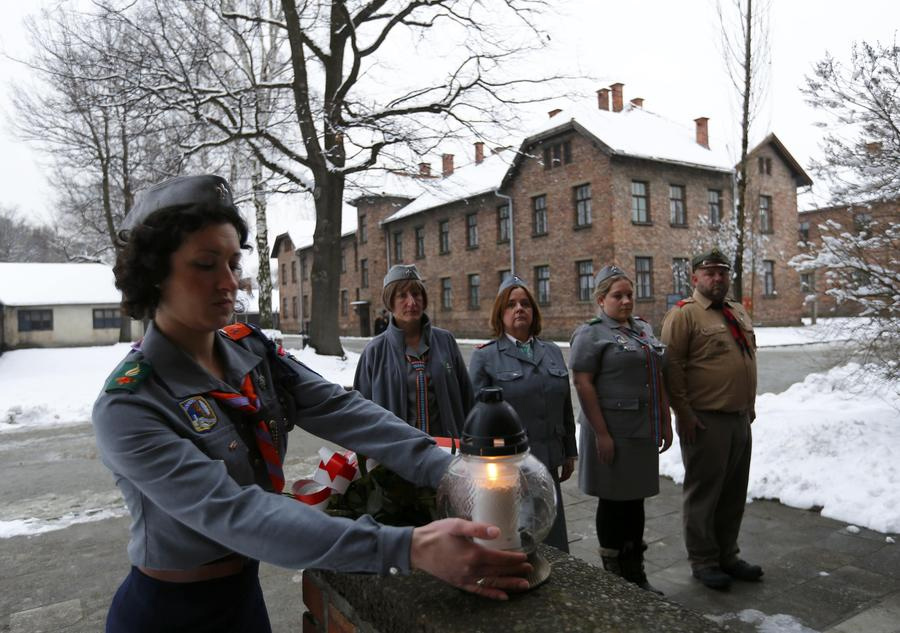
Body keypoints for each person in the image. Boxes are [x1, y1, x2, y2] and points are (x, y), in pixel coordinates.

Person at [93, 175, 531, 633]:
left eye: (232, 262)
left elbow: (343, 409)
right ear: (154, 273)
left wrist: (448, 470)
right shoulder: (131, 403)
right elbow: (236, 513)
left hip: (242, 600)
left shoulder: (252, 353)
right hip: (168, 614)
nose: (230, 282)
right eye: (206, 264)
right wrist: (408, 548)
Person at [660, 248, 763, 591]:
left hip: (738, 419)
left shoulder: (736, 312)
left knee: (734, 493)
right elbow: (672, 370)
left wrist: (747, 407)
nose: (717, 278)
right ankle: (704, 560)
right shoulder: (684, 316)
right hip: (705, 421)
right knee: (705, 493)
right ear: (695, 278)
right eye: (710, 273)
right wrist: (683, 414)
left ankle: (727, 555)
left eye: (722, 272)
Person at [569, 265, 672, 594]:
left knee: (635, 501)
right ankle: (615, 578)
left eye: (630, 293)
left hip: (640, 430)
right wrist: (601, 434)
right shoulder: (591, 333)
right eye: (618, 295)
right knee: (613, 502)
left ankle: (636, 572)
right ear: (601, 299)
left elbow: (657, 377)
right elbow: (583, 383)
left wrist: (665, 420)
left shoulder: (643, 329)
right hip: (611, 431)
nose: (626, 300)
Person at [467, 276, 577, 553]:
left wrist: (569, 450)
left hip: (549, 460)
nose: (519, 309)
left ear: (533, 312)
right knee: (515, 537)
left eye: (525, 303)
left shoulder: (551, 351)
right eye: (511, 304)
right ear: (500, 314)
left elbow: (564, 405)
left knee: (552, 533)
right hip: (508, 469)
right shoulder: (486, 357)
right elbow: (477, 417)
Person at [354, 264, 475, 438]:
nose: (411, 302)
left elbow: (467, 398)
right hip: (396, 455)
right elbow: (360, 413)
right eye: (402, 295)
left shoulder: (445, 341)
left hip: (447, 453)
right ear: (390, 302)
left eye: (416, 294)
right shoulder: (374, 352)